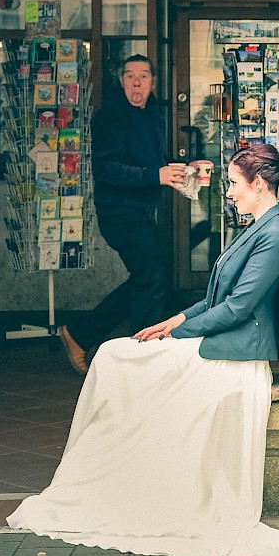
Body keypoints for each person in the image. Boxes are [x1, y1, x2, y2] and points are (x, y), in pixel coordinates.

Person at [8, 144, 279, 556]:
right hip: (218, 345)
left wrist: (178, 335)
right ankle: (114, 476)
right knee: (117, 355)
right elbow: (214, 299)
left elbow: (238, 307)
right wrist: (173, 321)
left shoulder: (274, 234)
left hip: (235, 356)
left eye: (232, 183)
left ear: (258, 184)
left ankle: (119, 483)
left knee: (118, 359)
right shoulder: (258, 226)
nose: (227, 191)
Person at [59, 54, 190, 374]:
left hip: (142, 211)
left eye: (143, 76)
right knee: (153, 276)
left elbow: (152, 161)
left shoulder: (153, 115)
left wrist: (186, 168)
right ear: (121, 82)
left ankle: (79, 334)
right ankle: (142, 358)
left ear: (152, 83)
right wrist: (154, 176)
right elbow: (106, 168)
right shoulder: (110, 116)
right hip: (118, 212)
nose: (136, 82)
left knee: (150, 278)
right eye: (129, 76)